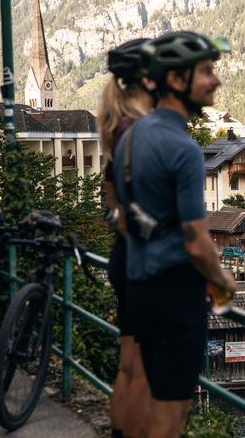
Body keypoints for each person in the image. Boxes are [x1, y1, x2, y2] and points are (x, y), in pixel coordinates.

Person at [112, 31, 238, 438]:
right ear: (176, 80)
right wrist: (223, 281)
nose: (214, 81)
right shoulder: (183, 149)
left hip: (139, 287)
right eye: (205, 72)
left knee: (146, 400)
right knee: (169, 420)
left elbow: (122, 217)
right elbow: (196, 242)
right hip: (176, 295)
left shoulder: (131, 136)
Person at [97, 37, 154, 438]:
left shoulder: (118, 130)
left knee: (129, 367)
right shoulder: (144, 132)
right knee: (147, 378)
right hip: (147, 266)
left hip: (124, 258)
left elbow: (112, 209)